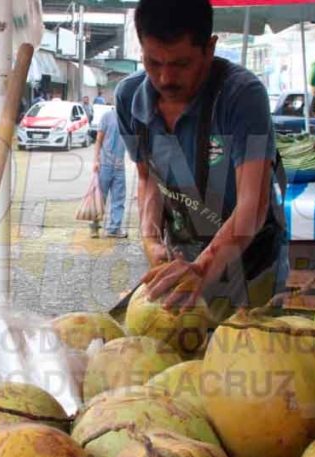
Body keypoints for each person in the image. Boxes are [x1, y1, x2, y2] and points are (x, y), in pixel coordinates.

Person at [115, 0, 288, 320]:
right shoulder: (129, 99)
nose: (165, 78)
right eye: (153, 62)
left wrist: (202, 268)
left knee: (243, 359)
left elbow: (253, 206)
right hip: (181, 258)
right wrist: (152, 241)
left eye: (181, 64)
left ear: (209, 48)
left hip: (248, 266)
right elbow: (147, 178)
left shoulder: (241, 95)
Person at [91, 107, 127, 239]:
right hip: (105, 165)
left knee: (119, 198)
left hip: (119, 166)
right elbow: (98, 140)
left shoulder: (129, 118)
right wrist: (96, 160)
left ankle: (114, 228)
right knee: (100, 198)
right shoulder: (107, 116)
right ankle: (94, 227)